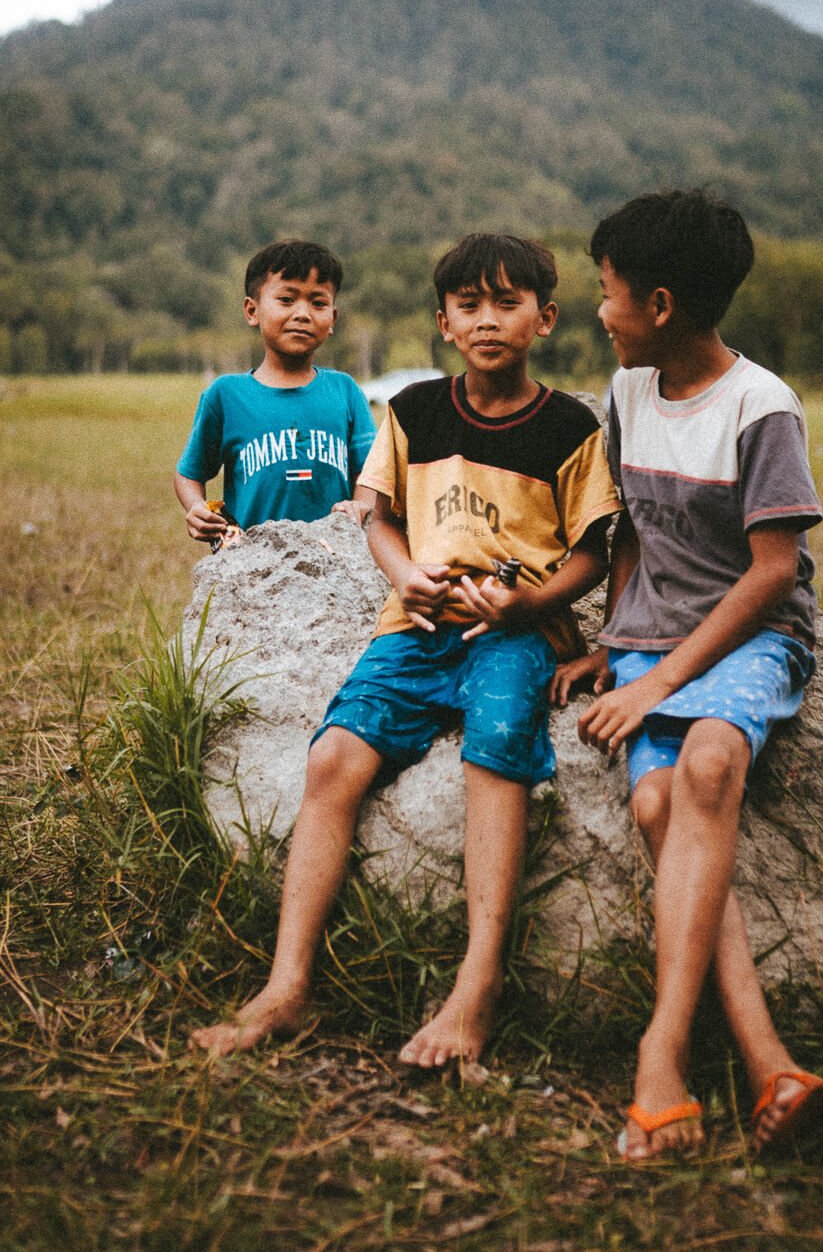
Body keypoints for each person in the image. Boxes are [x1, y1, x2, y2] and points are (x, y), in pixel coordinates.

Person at [190, 232, 621, 1062]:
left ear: (546, 319)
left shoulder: (571, 426)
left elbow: (597, 549)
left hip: (516, 632)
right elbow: (379, 517)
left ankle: (478, 983)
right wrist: (405, 575)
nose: (488, 321)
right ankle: (287, 988)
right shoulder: (414, 411)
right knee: (333, 759)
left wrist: (532, 600)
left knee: (495, 756)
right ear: (443, 322)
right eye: (469, 306)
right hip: (416, 626)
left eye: (507, 304)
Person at [552, 190, 823, 1160]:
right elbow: (634, 531)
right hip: (649, 641)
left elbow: (771, 572)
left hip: (746, 639)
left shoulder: (762, 408)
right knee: (656, 803)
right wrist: (610, 643)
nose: (599, 311)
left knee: (707, 767)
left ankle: (658, 1061)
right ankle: (769, 1065)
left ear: (659, 305)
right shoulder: (628, 395)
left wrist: (656, 682)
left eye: (606, 293)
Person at [174, 239, 376, 543]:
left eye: (318, 303)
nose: (303, 314)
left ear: (332, 319)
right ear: (252, 310)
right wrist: (197, 509)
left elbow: (372, 474)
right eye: (287, 299)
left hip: (336, 565)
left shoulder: (345, 391)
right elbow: (189, 473)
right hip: (254, 568)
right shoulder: (226, 396)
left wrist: (361, 505)